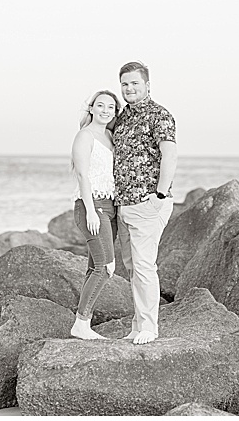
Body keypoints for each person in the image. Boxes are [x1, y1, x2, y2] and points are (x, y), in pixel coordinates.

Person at [113, 61, 178, 345]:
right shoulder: (123, 117)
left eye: (135, 83)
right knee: (132, 268)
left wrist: (160, 194)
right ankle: (138, 323)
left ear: (147, 85)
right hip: (124, 204)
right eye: (125, 84)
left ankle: (150, 327)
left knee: (144, 266)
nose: (129, 89)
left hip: (148, 203)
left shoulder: (159, 115)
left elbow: (170, 156)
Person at [69, 90, 120, 340]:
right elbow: (82, 176)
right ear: (91, 108)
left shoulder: (110, 136)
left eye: (110, 107)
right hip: (92, 206)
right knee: (106, 266)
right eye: (100, 105)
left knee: (94, 267)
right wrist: (90, 211)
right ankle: (81, 323)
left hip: (110, 207)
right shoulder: (85, 136)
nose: (105, 110)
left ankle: (82, 322)